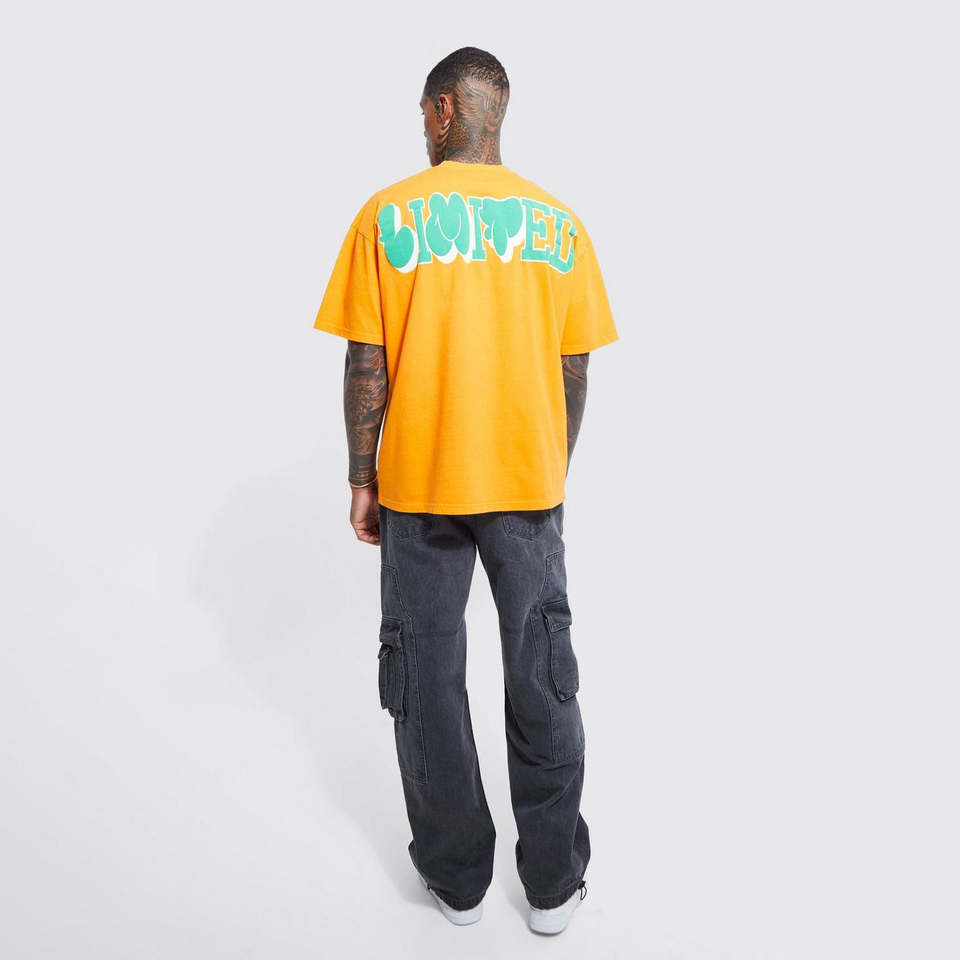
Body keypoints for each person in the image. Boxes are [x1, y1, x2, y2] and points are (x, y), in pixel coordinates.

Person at [312, 46, 618, 935]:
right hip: (528, 485)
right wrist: (549, 463)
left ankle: (458, 879)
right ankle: (552, 885)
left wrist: (362, 477)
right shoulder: (559, 224)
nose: (421, 127)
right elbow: (575, 366)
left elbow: (366, 359)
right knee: (543, 673)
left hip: (419, 486)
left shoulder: (387, 214)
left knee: (426, 679)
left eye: (423, 112)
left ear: (445, 108)